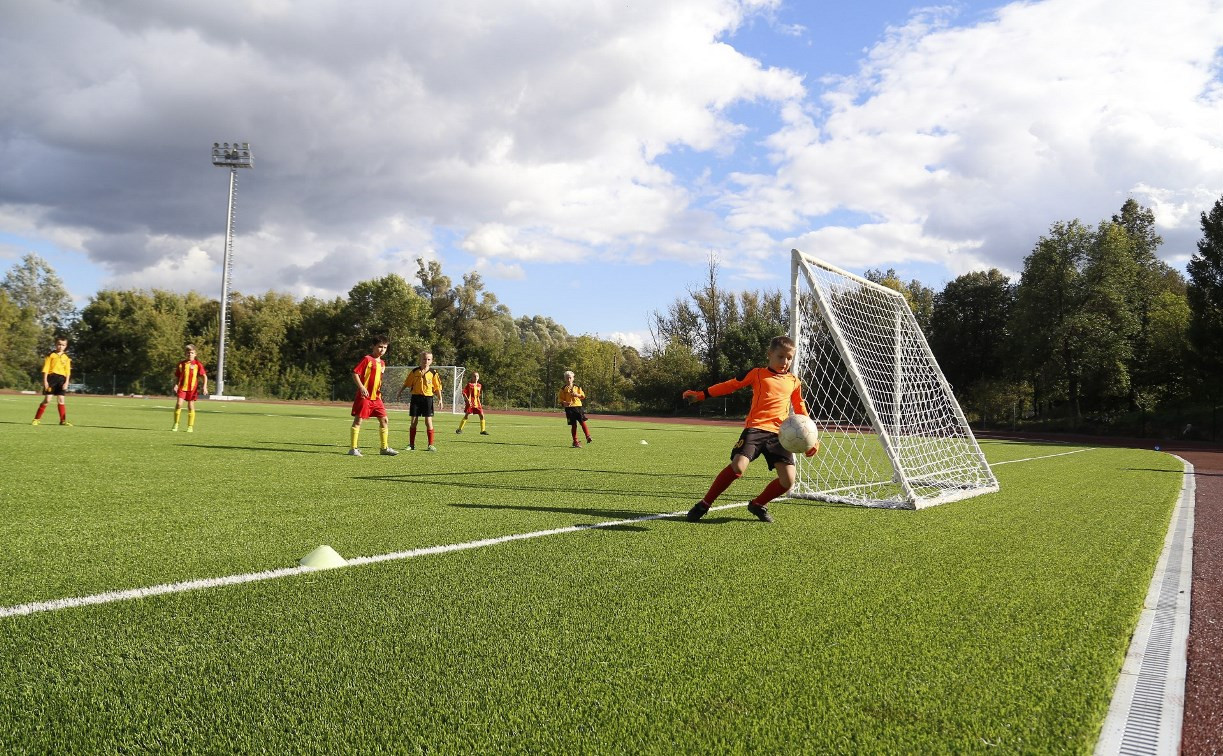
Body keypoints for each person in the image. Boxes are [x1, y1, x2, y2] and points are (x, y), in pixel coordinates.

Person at [682, 335, 819, 523]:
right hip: (756, 429)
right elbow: (731, 385)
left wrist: (811, 439)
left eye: (789, 358)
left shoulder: (794, 381)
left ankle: (758, 504)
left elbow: (800, 407)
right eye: (780, 356)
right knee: (738, 467)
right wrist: (702, 395)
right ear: (770, 354)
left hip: (780, 435)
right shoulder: (757, 373)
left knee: (788, 481)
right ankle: (704, 504)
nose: (785, 362)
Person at [348, 335, 398, 457]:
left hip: (376, 397)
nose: (382, 350)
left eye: (385, 347)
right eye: (380, 347)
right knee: (358, 420)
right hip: (365, 396)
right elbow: (355, 373)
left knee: (384, 420)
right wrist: (361, 387)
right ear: (373, 346)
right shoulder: (367, 359)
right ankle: (353, 449)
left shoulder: (382, 363)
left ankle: (384, 448)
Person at [395, 350, 444, 451]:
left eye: (428, 359)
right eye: (424, 359)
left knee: (428, 421)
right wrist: (399, 392)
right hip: (416, 398)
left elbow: (437, 387)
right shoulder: (414, 371)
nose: (426, 361)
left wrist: (440, 399)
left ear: (431, 360)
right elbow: (406, 383)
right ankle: (411, 445)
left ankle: (430, 445)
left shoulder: (433, 373)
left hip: (428, 398)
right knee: (413, 421)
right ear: (420, 360)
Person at [32, 337, 73, 426]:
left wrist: (66, 382)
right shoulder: (50, 355)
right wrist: (45, 381)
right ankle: (36, 419)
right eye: (59, 344)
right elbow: (46, 369)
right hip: (52, 378)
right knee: (47, 399)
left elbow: (68, 371)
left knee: (61, 400)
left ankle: (63, 421)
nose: (60, 346)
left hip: (62, 379)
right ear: (55, 344)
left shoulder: (66, 357)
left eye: (63, 345)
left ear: (65, 346)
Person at [171, 344, 208, 432]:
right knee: (179, 404)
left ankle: (190, 426)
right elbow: (178, 376)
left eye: (192, 353)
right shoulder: (181, 364)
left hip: (192, 389)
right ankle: (176, 424)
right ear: (185, 354)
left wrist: (204, 386)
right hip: (182, 388)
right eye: (188, 353)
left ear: (195, 354)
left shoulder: (198, 364)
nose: (190, 354)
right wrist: (176, 384)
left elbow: (204, 376)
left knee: (190, 406)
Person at [558, 370, 593, 448]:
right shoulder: (563, 389)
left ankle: (588, 436)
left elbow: (583, 396)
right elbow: (560, 399)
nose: (569, 380)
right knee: (573, 425)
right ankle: (575, 441)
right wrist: (564, 403)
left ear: (573, 378)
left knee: (582, 421)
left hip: (578, 407)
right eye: (567, 378)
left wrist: (577, 394)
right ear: (565, 379)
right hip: (569, 409)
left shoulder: (577, 387)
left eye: (570, 378)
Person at [455, 371, 489, 435]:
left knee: (482, 415)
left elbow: (478, 395)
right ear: (472, 377)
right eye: (474, 376)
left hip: (477, 403)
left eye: (477, 376)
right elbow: (464, 392)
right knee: (467, 416)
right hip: (470, 403)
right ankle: (459, 429)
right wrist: (467, 400)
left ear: (478, 377)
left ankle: (483, 430)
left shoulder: (479, 385)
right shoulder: (469, 385)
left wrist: (479, 402)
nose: (476, 377)